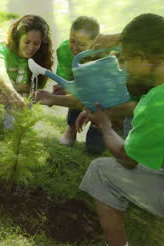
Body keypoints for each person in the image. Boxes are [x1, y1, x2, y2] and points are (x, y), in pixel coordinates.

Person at [79, 13, 164, 246]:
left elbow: (127, 158)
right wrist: (120, 37)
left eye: (123, 60)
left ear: (143, 58)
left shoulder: (163, 100)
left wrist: (104, 124)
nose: (121, 69)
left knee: (101, 171)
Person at [0, 14, 53, 142]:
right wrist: (12, 93)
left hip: (16, 94)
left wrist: (12, 91)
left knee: (12, 130)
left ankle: (10, 123)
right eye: (27, 42)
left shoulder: (41, 57)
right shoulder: (0, 50)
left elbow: (36, 86)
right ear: (18, 37)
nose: (31, 47)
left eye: (36, 43)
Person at [35, 16, 107, 154]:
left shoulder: (105, 56)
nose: (74, 47)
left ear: (95, 42)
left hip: (103, 98)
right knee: (75, 87)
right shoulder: (64, 50)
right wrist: (61, 91)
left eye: (81, 44)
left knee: (94, 148)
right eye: (72, 40)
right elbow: (66, 80)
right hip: (79, 87)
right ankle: (72, 127)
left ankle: (105, 125)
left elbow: (102, 93)